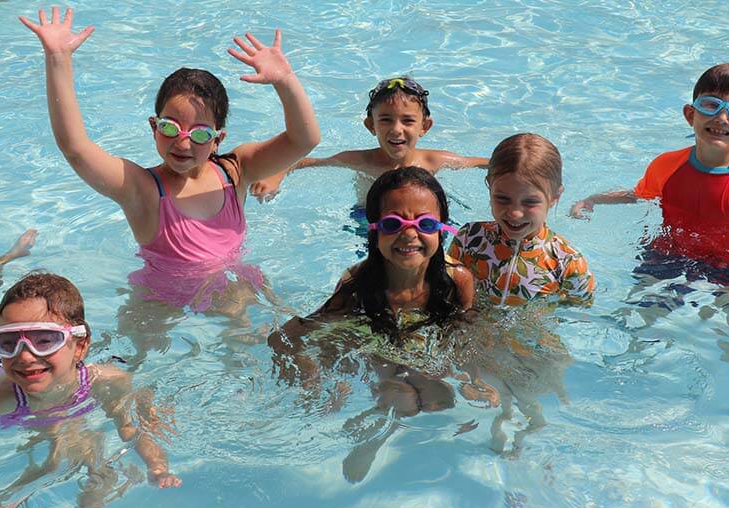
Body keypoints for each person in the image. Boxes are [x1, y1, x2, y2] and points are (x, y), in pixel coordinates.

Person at [20, 7, 320, 312]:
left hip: (232, 288)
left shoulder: (235, 170)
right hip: (160, 299)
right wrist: (58, 58)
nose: (183, 141)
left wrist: (285, 81)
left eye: (200, 134)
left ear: (218, 140)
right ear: (153, 127)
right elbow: (75, 147)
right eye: (169, 127)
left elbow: (303, 140)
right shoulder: (142, 189)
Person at [270, 167, 495, 481]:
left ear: (441, 230)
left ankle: (419, 460)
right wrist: (311, 375)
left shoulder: (456, 280)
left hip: (425, 348)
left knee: (439, 401)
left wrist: (474, 375)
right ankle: (376, 431)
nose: (410, 234)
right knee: (400, 399)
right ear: (373, 231)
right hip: (379, 348)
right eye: (393, 224)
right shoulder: (357, 284)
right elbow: (287, 335)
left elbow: (469, 330)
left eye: (426, 223)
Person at [569, 62, 729, 295]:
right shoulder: (666, 165)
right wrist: (593, 199)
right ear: (690, 115)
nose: (722, 117)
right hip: (672, 252)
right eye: (711, 105)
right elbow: (638, 196)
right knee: (639, 310)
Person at [0, 273, 180, 508]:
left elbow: (130, 426)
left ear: (81, 345)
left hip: (64, 408)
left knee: (93, 474)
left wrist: (157, 466)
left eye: (44, 340)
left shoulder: (108, 381)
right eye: (7, 342)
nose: (25, 356)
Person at [251, 77, 487, 204]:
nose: (396, 130)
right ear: (370, 125)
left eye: (407, 121)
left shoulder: (433, 161)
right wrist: (275, 176)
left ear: (424, 127)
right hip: (367, 221)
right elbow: (303, 162)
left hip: (420, 222)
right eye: (385, 120)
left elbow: (485, 163)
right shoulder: (359, 160)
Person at [448, 133, 595, 306]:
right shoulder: (470, 238)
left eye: (530, 202)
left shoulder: (567, 262)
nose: (515, 213)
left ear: (555, 196)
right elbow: (448, 284)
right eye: (502, 199)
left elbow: (581, 309)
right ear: (490, 186)